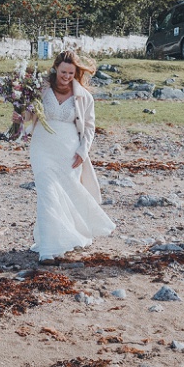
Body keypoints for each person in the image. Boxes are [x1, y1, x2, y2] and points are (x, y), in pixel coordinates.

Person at [16, 49, 115, 263]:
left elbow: (89, 127)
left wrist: (83, 150)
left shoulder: (83, 96)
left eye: (71, 73)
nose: (66, 77)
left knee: (67, 193)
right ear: (55, 69)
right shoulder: (40, 89)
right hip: (42, 147)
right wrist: (20, 113)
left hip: (69, 151)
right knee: (47, 193)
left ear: (76, 73)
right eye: (63, 72)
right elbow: (29, 113)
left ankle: (69, 234)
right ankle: (48, 251)